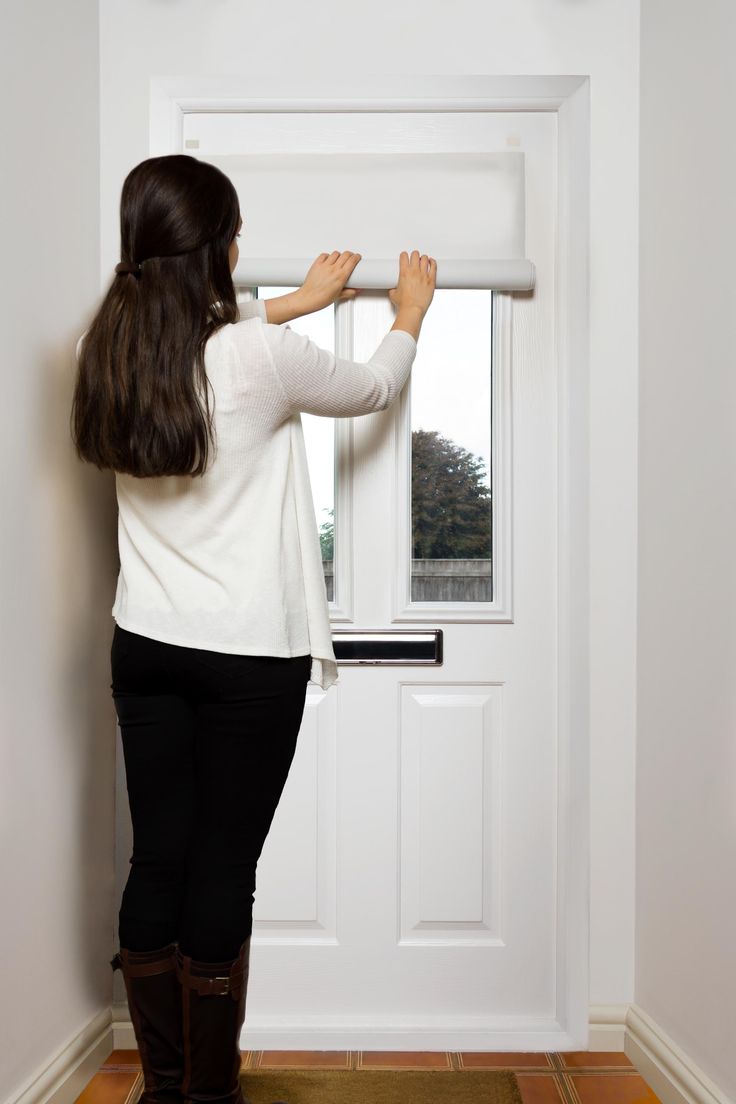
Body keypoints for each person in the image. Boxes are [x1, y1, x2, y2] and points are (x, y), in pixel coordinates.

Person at [70, 153, 436, 1104]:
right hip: (246, 659)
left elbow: (207, 343)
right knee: (222, 865)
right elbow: (371, 390)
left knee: (159, 857)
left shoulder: (104, 349)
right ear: (221, 248)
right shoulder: (253, 356)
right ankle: (210, 1093)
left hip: (144, 646)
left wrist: (289, 304)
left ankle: (165, 1090)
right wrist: (407, 314)